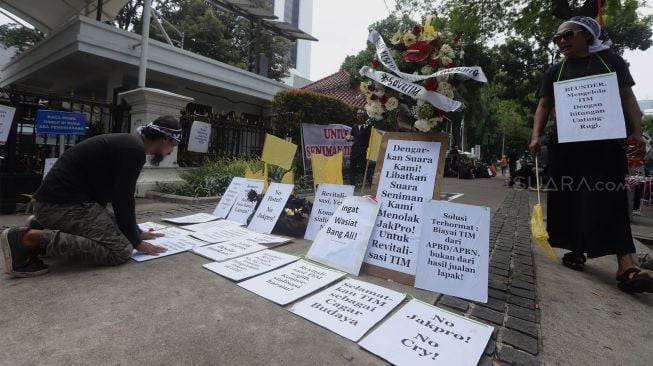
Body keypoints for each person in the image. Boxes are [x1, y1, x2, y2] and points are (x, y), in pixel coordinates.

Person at [529, 16, 652, 292]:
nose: (562, 41)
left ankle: (626, 265)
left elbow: (627, 98)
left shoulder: (612, 63)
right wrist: (535, 135)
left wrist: (636, 130)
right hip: (565, 146)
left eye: (568, 35)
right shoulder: (556, 72)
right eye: (557, 38)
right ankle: (576, 250)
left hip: (605, 145)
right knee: (569, 197)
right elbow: (544, 104)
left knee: (611, 198)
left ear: (588, 36)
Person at [1, 116, 182, 277]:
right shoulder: (133, 150)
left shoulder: (130, 144)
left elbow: (119, 197)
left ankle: (39, 223)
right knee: (120, 250)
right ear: (165, 138)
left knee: (122, 234)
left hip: (60, 204)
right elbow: (123, 199)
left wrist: (136, 232)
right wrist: (135, 241)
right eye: (172, 145)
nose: (171, 151)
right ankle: (30, 238)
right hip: (62, 206)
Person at [347, 109, 372, 186]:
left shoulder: (368, 126)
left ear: (364, 115)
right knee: (352, 169)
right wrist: (348, 137)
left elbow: (370, 138)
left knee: (363, 169)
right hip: (354, 151)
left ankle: (371, 182)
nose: (358, 115)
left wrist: (367, 149)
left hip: (363, 151)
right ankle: (352, 186)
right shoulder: (354, 126)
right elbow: (352, 137)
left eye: (360, 114)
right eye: (357, 114)